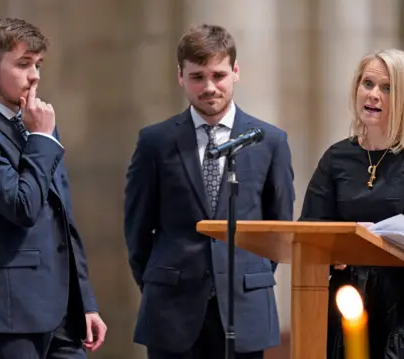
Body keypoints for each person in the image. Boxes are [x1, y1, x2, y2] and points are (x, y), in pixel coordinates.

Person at [124, 24, 295, 359]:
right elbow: (137, 231)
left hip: (244, 307)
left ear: (235, 72)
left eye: (218, 75)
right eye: (197, 77)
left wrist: (243, 274)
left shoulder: (269, 141)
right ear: (180, 77)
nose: (209, 87)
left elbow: (277, 229)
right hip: (172, 306)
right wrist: (163, 281)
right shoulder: (155, 142)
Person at [0, 18, 106, 359]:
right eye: (23, 64)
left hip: (62, 311)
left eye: (38, 65)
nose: (34, 75)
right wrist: (41, 139)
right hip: (7, 313)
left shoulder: (40, 126)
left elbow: (65, 222)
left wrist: (86, 302)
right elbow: (23, 207)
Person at [299, 48, 404, 358]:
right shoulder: (337, 158)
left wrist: (381, 237)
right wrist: (341, 243)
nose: (373, 95)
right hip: (348, 298)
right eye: (368, 84)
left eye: (386, 88)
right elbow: (310, 228)